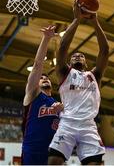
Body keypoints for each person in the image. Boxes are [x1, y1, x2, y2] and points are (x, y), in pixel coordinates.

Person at [48, 1, 109, 165]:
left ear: (87, 63)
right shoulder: (64, 72)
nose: (77, 56)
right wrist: (76, 20)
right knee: (53, 161)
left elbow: (104, 51)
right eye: (74, 55)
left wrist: (95, 22)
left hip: (88, 125)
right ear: (70, 61)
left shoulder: (94, 75)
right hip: (67, 123)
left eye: (81, 55)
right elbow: (63, 47)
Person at [21, 25, 63, 165]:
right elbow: (38, 64)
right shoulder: (33, 94)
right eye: (41, 78)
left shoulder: (58, 104)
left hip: (53, 153)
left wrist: (64, 109)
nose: (45, 78)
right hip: (32, 152)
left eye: (47, 77)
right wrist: (46, 39)